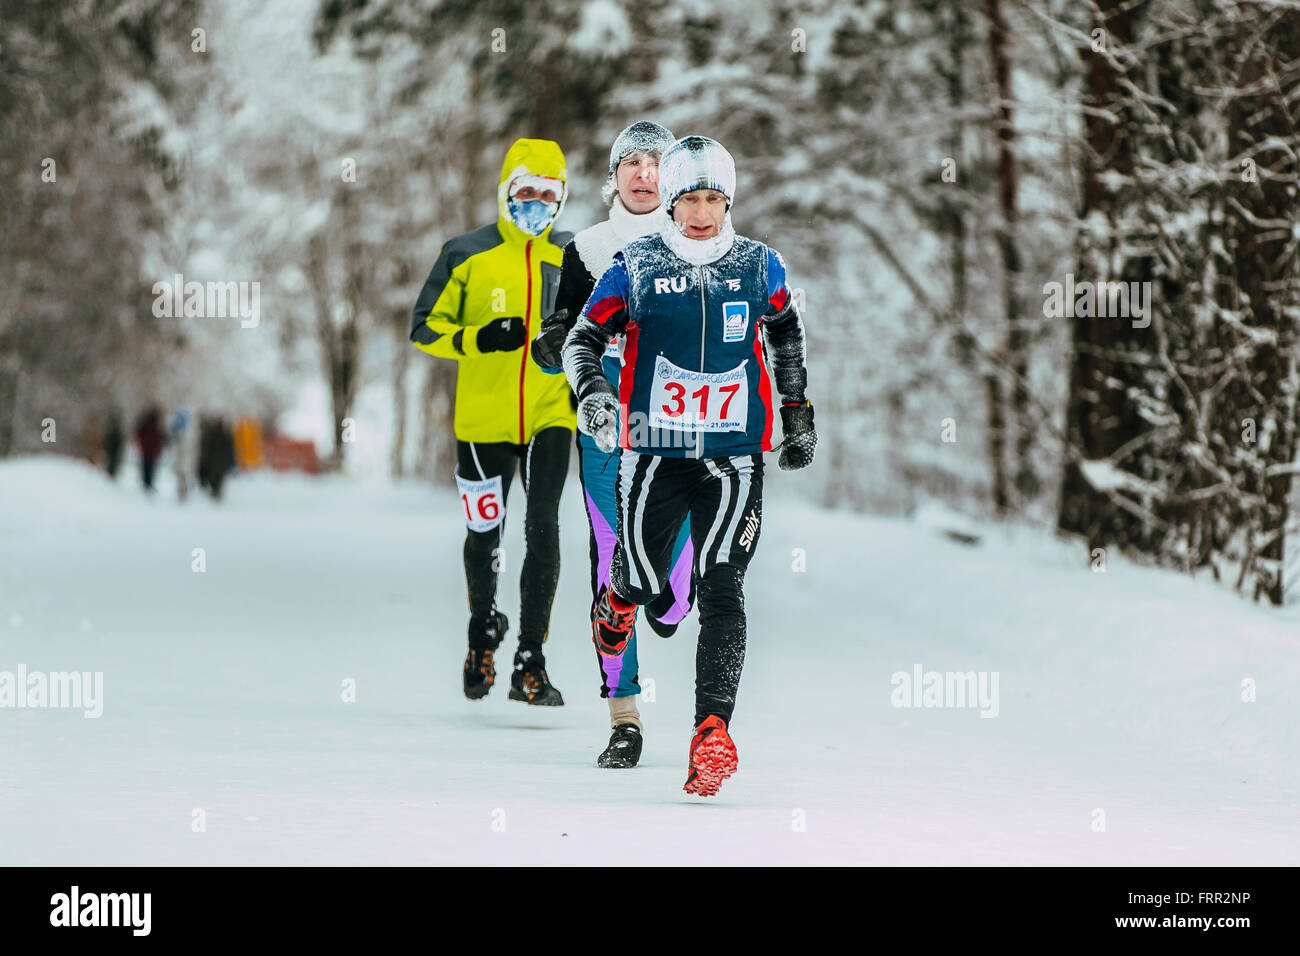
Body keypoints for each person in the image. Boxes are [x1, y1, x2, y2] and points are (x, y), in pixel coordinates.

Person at [562, 136, 817, 796]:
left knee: (722, 586)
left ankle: (712, 733)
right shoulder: (636, 265)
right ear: (670, 205)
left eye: (713, 199)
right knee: (645, 582)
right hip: (654, 453)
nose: (701, 213)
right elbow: (584, 337)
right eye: (689, 200)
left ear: (728, 202)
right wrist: (593, 394)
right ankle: (616, 600)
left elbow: (787, 328)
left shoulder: (759, 265)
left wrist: (797, 409)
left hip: (734, 455)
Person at [533, 120, 696, 769]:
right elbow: (562, 334)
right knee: (611, 563)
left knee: (672, 587)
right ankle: (624, 717)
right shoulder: (587, 249)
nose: (643, 173)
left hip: (677, 427)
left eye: (655, 163)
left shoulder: (694, 246)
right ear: (614, 175)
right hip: (605, 429)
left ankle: (670, 598)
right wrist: (552, 346)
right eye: (631, 162)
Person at [411, 138, 574, 706]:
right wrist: (478, 338)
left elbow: (605, 327)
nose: (535, 202)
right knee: (486, 534)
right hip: (481, 421)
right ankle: (483, 631)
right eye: (524, 192)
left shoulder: (574, 255)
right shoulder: (466, 252)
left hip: (552, 414)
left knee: (544, 528)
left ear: (560, 201)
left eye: (546, 194)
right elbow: (424, 327)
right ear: (506, 194)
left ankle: (531, 660)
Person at [133, 406, 166, 493]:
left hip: (149, 450)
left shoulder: (152, 426)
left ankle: (147, 483)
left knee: (148, 467)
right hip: (149, 450)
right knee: (148, 467)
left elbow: (160, 439)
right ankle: (146, 483)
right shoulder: (150, 426)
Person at [170, 407, 199, 501]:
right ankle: (181, 492)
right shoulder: (176, 430)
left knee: (183, 475)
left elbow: (191, 448)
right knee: (181, 475)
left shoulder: (189, 432)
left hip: (185, 459)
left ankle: (183, 492)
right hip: (180, 459)